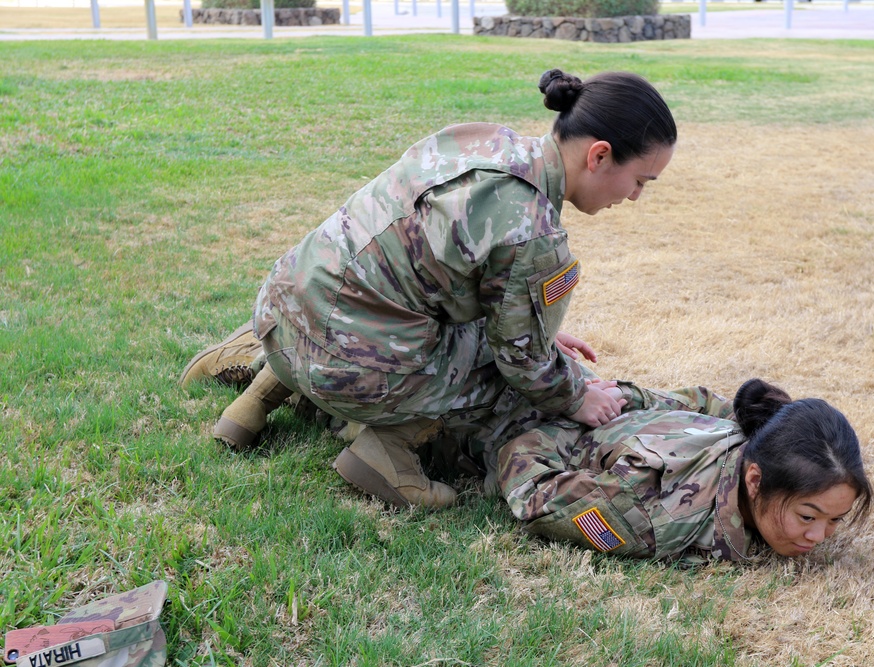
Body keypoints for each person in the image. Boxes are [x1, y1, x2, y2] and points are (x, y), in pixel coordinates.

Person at [181, 68, 678, 510]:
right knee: (502, 384)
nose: (635, 196)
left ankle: (254, 401)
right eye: (641, 181)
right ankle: (387, 453)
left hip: (284, 306)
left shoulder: (483, 141)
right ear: (600, 155)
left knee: (412, 320)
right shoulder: (535, 231)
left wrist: (536, 336)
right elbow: (522, 363)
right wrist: (577, 397)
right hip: (343, 360)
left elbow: (430, 277)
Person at [497, 378, 874, 564]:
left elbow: (702, 401)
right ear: (755, 480)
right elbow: (531, 489)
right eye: (808, 515)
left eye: (835, 519)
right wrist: (593, 405)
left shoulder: (761, 435)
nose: (820, 535)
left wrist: (628, 398)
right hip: (510, 423)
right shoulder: (645, 516)